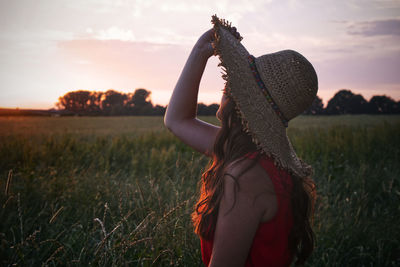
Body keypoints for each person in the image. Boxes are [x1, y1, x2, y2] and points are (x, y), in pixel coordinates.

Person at [164, 15, 317, 267]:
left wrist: (202, 50)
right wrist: (200, 51)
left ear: (238, 99)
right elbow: (177, 120)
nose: (222, 93)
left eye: (228, 84)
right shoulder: (256, 157)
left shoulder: (246, 176)